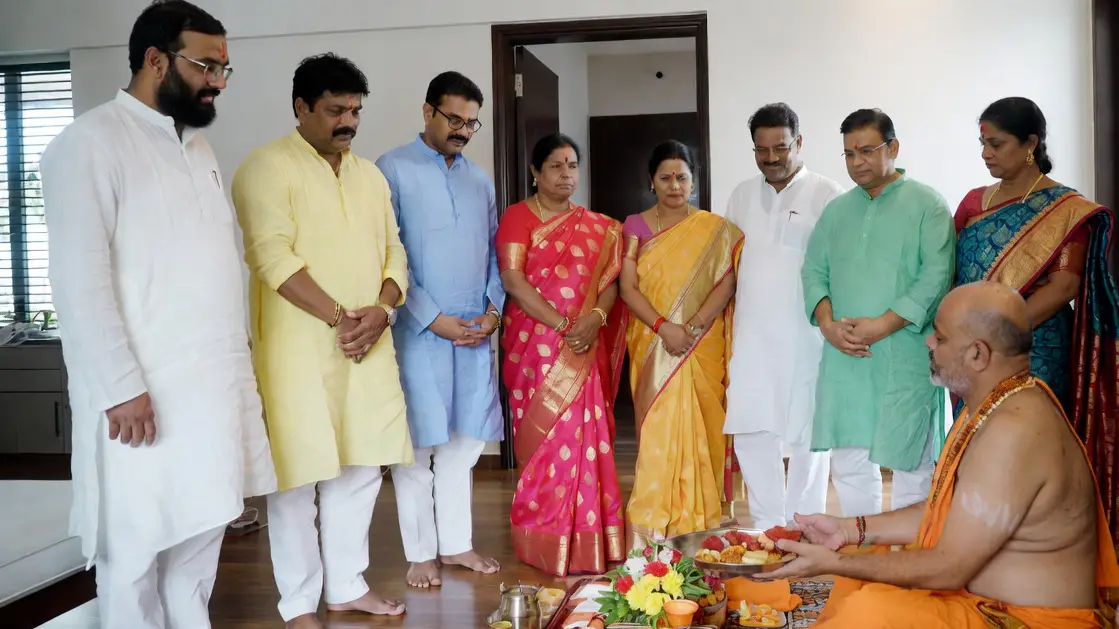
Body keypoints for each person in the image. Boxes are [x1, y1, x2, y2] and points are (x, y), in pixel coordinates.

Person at [38, 2, 276, 627]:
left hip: (211, 389)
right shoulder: (87, 145)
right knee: (137, 550)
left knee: (200, 540)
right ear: (154, 60)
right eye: (206, 66)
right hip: (140, 398)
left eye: (225, 68)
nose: (218, 81)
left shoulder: (198, 149)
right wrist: (120, 388)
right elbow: (79, 282)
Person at [761, 281, 1119, 628]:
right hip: (986, 606)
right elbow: (949, 513)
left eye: (941, 337)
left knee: (869, 612)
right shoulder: (994, 404)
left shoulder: (1016, 429)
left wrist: (834, 562)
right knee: (869, 584)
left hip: (1024, 620)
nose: (929, 342)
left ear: (978, 354)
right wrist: (849, 530)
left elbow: (949, 568)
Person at [231, 54, 410, 628]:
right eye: (336, 110)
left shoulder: (370, 175)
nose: (349, 122)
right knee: (297, 477)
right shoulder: (264, 167)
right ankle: (299, 603)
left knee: (361, 470)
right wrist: (341, 319)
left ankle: (346, 586)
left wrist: (382, 310)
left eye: (356, 110)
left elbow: (395, 251)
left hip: (368, 344)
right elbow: (270, 257)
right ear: (301, 107)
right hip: (298, 355)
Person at [954, 97, 1119, 538]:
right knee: (974, 449)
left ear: (1030, 143)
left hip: (1035, 347)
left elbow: (1063, 288)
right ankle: (972, 542)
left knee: (1025, 447)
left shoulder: (1065, 210)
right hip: (972, 352)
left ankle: (1033, 547)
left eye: (997, 144)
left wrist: (995, 332)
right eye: (982, 143)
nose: (986, 153)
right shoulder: (973, 203)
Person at [376, 71, 503, 588]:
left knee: (463, 443)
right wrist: (432, 319)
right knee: (418, 447)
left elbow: (497, 250)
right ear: (427, 111)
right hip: (419, 334)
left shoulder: (479, 179)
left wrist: (493, 312)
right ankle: (421, 552)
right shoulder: (392, 169)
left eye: (472, 123)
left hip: (474, 333)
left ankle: (456, 545)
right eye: (455, 119)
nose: (464, 131)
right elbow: (389, 251)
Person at [801, 109, 955, 518]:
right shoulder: (837, 211)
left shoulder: (928, 205)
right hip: (846, 354)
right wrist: (829, 325)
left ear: (893, 148)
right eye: (849, 154)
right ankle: (862, 552)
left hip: (904, 354)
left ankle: (910, 563)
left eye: (867, 150)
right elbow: (814, 270)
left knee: (912, 464)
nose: (857, 162)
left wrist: (881, 326)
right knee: (850, 462)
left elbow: (935, 276)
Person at [497, 132, 628, 576]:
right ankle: (544, 536)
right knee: (543, 440)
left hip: (584, 343)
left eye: (572, 165)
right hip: (534, 346)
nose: (566, 174)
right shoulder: (518, 218)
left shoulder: (600, 227)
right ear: (535, 172)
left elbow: (609, 283)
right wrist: (562, 325)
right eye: (555, 166)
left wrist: (593, 319)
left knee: (584, 437)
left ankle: (588, 538)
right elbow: (514, 282)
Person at [722, 103, 845, 530]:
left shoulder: (828, 194)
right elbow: (728, 266)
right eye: (761, 149)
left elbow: (839, 269)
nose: (771, 158)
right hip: (752, 337)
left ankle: (804, 529)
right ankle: (764, 529)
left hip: (807, 338)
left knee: (810, 437)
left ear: (799, 142)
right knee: (753, 431)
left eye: (781, 147)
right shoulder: (740, 195)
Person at [620, 140, 744, 547]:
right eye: (666, 178)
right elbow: (627, 287)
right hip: (654, 344)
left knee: (701, 430)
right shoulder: (635, 226)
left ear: (694, 181)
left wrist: (692, 326)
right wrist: (662, 327)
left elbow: (727, 280)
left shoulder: (715, 229)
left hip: (700, 341)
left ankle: (699, 529)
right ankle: (651, 533)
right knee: (657, 434)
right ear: (652, 183)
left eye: (682, 177)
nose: (675, 185)